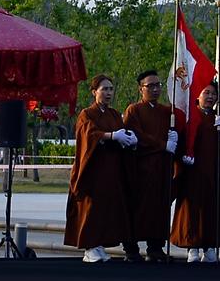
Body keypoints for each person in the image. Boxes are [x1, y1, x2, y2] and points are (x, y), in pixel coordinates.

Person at [64, 74, 134, 263]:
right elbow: (89, 133)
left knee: (106, 207)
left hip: (110, 170)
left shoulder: (113, 114)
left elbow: (122, 133)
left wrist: (129, 139)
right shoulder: (87, 113)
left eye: (111, 89)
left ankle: (100, 244)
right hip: (92, 169)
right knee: (91, 208)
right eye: (104, 89)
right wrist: (110, 136)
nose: (108, 93)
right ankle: (90, 246)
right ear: (95, 92)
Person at [171, 86, 220, 263]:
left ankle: (210, 245)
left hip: (214, 172)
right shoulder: (190, 117)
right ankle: (193, 247)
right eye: (206, 92)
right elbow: (181, 140)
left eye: (213, 94)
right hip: (193, 171)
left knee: (213, 207)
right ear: (197, 96)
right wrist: (182, 154)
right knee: (193, 209)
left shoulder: (219, 118)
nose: (210, 97)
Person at [122, 70, 179, 262]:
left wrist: (174, 139)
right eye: (150, 86)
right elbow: (136, 134)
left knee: (159, 207)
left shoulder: (166, 112)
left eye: (158, 85)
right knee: (138, 207)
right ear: (141, 89)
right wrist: (162, 144)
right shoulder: (134, 110)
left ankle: (156, 247)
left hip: (162, 168)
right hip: (142, 168)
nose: (155, 89)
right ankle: (131, 248)